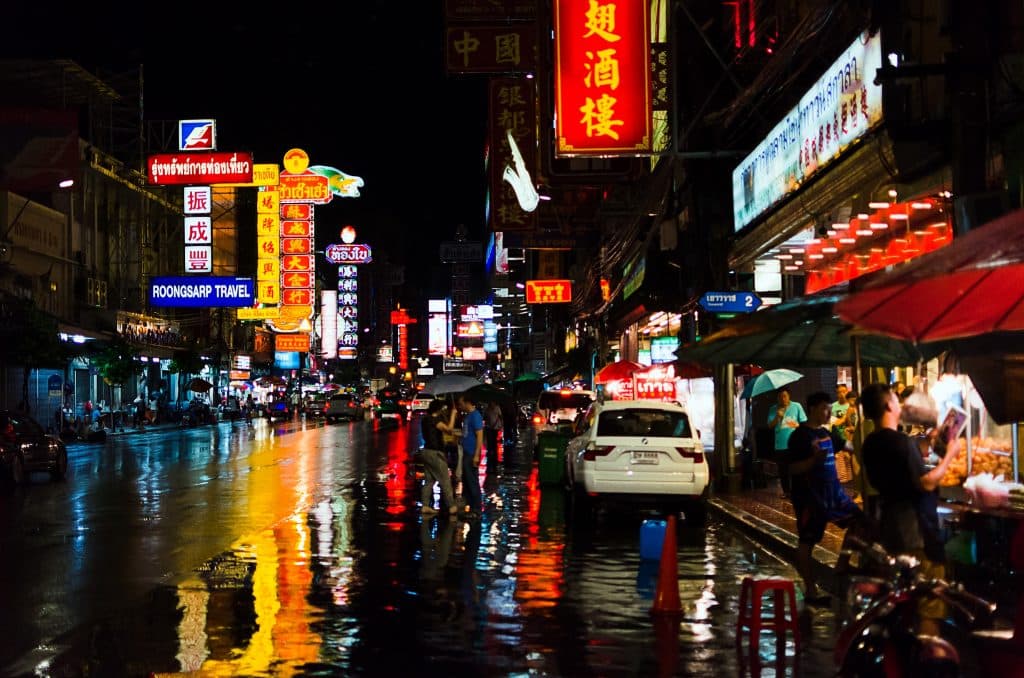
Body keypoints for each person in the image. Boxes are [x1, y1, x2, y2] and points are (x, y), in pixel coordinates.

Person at [860, 382, 960, 637]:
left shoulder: (870, 444)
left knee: (901, 603)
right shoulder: (902, 442)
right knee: (929, 604)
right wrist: (950, 455)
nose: (900, 403)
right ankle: (927, 663)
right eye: (896, 398)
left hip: (890, 530)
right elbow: (925, 482)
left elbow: (889, 476)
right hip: (918, 532)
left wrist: (927, 445)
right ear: (888, 406)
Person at [786, 391, 867, 605]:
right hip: (810, 499)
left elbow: (848, 446)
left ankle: (843, 563)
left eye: (830, 409)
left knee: (860, 521)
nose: (828, 413)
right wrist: (814, 460)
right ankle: (811, 591)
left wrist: (867, 447)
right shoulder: (800, 436)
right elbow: (792, 469)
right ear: (811, 408)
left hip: (835, 495)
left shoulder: (826, 433)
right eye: (824, 408)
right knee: (807, 542)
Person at [419, 399, 458, 515]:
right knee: (445, 480)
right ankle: (451, 506)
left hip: (426, 452)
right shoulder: (435, 420)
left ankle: (425, 506)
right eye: (442, 409)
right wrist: (453, 415)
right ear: (438, 409)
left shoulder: (425, 419)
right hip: (435, 453)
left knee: (429, 480)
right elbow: (449, 430)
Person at [767, 387, 806, 495]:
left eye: (784, 396)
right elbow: (770, 426)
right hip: (780, 445)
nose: (782, 399)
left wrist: (797, 425)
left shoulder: (796, 406)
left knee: (796, 468)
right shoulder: (773, 409)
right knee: (783, 470)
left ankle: (797, 490)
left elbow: (804, 422)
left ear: (789, 396)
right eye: (780, 397)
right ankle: (786, 492)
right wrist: (777, 417)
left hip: (795, 443)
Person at [455, 393, 485, 519]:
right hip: (466, 452)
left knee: (472, 482)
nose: (460, 405)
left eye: (461, 403)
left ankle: (476, 509)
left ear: (468, 402)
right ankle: (471, 507)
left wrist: (477, 455)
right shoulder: (468, 417)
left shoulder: (475, 416)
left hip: (472, 453)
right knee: (467, 481)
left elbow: (479, 435)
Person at [483, 400, 504, 469]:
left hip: (495, 427)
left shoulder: (497, 408)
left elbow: (500, 416)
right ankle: (490, 453)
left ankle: (494, 455)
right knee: (489, 441)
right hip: (489, 427)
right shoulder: (487, 408)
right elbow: (485, 417)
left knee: (494, 441)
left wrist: (501, 425)